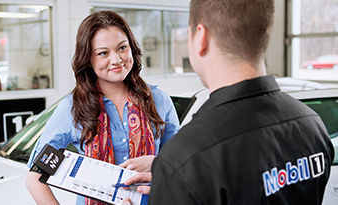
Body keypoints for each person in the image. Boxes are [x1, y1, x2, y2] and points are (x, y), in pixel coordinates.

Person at [123, 0, 334, 204]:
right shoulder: (312, 125)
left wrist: (175, 174)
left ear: (200, 37)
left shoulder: (187, 156)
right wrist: (171, 173)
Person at [25, 11, 180, 205]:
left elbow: (181, 165)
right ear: (88, 59)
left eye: (122, 48)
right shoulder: (72, 108)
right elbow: (35, 176)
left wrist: (156, 164)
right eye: (103, 53)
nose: (116, 60)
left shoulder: (159, 100)